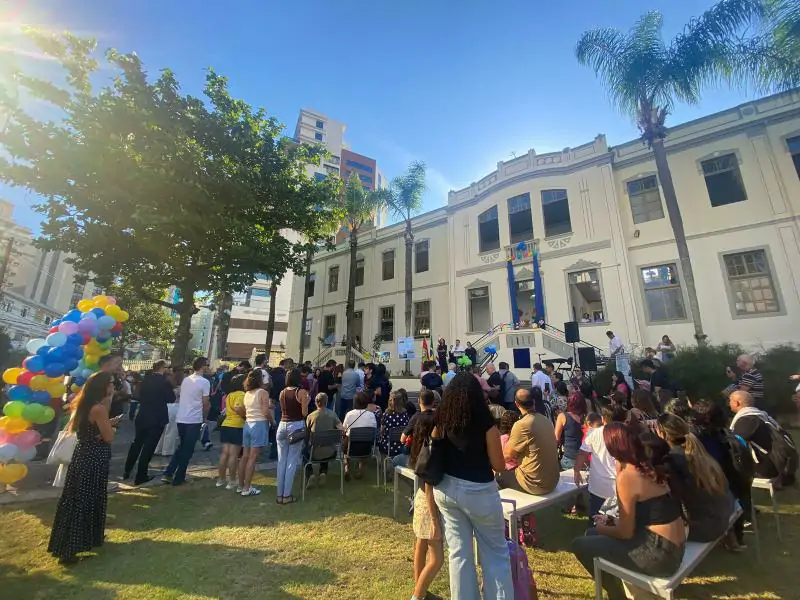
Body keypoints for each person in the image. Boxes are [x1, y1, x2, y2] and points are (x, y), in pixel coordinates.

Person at [572, 424, 686, 600]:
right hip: (672, 547)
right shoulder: (647, 466)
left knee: (579, 544)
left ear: (612, 448)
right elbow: (642, 517)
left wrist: (604, 528)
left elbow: (625, 533)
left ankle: (616, 595)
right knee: (591, 533)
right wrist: (609, 522)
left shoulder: (628, 476)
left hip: (658, 554)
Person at [432, 373, 514, 598]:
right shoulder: (486, 423)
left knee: (459, 554)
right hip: (478, 490)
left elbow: (435, 449)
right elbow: (499, 465)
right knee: (495, 553)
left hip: (447, 488)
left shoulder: (441, 418)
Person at [48, 372, 120, 565]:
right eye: (111, 383)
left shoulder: (82, 404)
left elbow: (88, 431)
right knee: (86, 500)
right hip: (94, 457)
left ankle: (85, 540)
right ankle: (71, 549)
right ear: (102, 386)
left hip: (83, 455)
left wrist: (105, 427)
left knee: (79, 498)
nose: (113, 386)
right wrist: (110, 427)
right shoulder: (99, 408)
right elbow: (109, 437)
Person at [656, 413, 735, 542]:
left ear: (662, 434)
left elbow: (673, 501)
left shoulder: (673, 460)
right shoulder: (697, 451)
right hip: (722, 513)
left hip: (706, 527)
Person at [691, 399, 753, 550]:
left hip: (718, 494)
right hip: (738, 490)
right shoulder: (728, 436)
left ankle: (729, 536)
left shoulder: (698, 441)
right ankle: (735, 537)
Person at [497, 388, 560, 495]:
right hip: (553, 481)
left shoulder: (521, 424)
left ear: (517, 404)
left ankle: (519, 511)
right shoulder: (545, 420)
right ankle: (527, 512)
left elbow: (506, 456)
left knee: (497, 474)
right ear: (534, 402)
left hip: (534, 484)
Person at [408, 416, 444, 600]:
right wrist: (435, 521)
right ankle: (418, 595)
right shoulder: (431, 451)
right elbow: (430, 489)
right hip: (429, 506)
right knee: (437, 559)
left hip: (420, 501)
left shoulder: (419, 447)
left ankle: (420, 590)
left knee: (421, 546)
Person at [123, 360, 175, 485]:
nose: (169, 370)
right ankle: (141, 475)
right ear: (162, 368)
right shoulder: (164, 382)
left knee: (137, 443)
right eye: (167, 367)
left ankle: (127, 470)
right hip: (157, 417)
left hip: (143, 415)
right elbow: (171, 398)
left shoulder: (145, 380)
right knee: (148, 447)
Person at [729, 390, 798, 484]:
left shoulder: (746, 420)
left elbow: (735, 445)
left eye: (730, 401)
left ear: (737, 403)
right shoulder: (762, 416)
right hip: (782, 464)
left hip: (769, 469)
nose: (729, 404)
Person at [574, 406, 628, 520]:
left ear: (603, 419)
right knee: (617, 523)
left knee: (596, 522)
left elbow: (582, 453)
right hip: (620, 486)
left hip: (600, 487)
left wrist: (576, 471)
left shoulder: (594, 433)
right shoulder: (627, 433)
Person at [162, 357, 210, 486]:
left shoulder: (186, 380)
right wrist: (205, 417)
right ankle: (179, 477)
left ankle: (168, 472)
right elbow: (205, 403)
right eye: (207, 365)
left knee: (182, 446)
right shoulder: (204, 382)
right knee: (187, 449)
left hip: (182, 417)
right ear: (203, 366)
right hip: (193, 419)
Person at [275, 368, 310, 504]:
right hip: (295, 426)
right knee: (291, 462)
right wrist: (306, 400)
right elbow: (304, 413)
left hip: (282, 425)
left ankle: (279, 495)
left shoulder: (282, 392)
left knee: (281, 461)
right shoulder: (301, 392)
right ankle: (287, 495)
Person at [239, 369, 272, 497]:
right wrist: (272, 420)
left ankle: (241, 485)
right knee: (253, 458)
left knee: (245, 457)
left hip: (248, 424)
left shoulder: (247, 393)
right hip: (259, 424)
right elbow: (265, 411)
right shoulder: (262, 392)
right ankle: (247, 488)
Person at [304, 393, 342, 489]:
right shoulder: (333, 414)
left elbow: (306, 435)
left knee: (304, 452)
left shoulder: (310, 416)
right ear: (326, 402)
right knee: (326, 443)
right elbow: (341, 429)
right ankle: (323, 472)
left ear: (316, 403)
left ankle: (311, 474)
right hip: (330, 452)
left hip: (314, 453)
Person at [216, 372, 246, 491]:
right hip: (237, 425)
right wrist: (245, 416)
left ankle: (221, 479)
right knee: (233, 454)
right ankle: (232, 480)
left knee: (225, 454)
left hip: (226, 424)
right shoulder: (241, 394)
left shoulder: (229, 395)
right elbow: (238, 407)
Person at [395, 390, 436, 469]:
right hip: (434, 458)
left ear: (419, 401)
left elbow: (402, 439)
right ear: (433, 402)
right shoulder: (438, 416)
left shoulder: (416, 417)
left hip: (417, 459)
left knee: (395, 461)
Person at [343, 392, 379, 481]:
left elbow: (344, 429)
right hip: (366, 447)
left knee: (345, 439)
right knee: (365, 440)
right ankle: (360, 470)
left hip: (350, 447)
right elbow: (374, 430)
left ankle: (347, 468)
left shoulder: (349, 414)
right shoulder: (371, 415)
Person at [555, 392, 587, 470]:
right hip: (585, 459)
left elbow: (556, 438)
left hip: (569, 458)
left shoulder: (563, 416)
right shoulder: (587, 417)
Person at [379, 390, 410, 458]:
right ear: (401, 401)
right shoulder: (405, 414)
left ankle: (383, 466)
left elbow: (382, 431)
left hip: (388, 446)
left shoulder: (386, 415)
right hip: (402, 445)